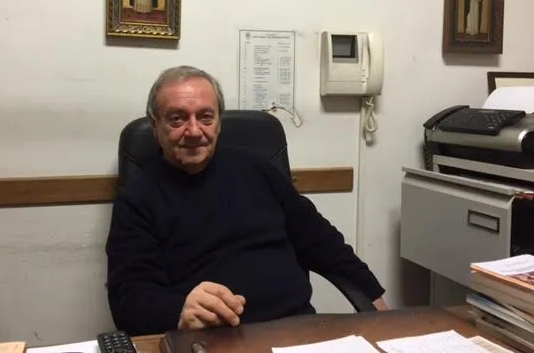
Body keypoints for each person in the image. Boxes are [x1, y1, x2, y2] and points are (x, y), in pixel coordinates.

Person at [105, 65, 387, 336]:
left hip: (295, 331)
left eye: (206, 117)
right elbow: (128, 299)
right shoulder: (137, 198)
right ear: (155, 127)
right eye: (177, 119)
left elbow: (322, 242)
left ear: (219, 123)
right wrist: (179, 311)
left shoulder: (257, 168)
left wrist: (377, 305)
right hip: (209, 338)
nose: (194, 131)